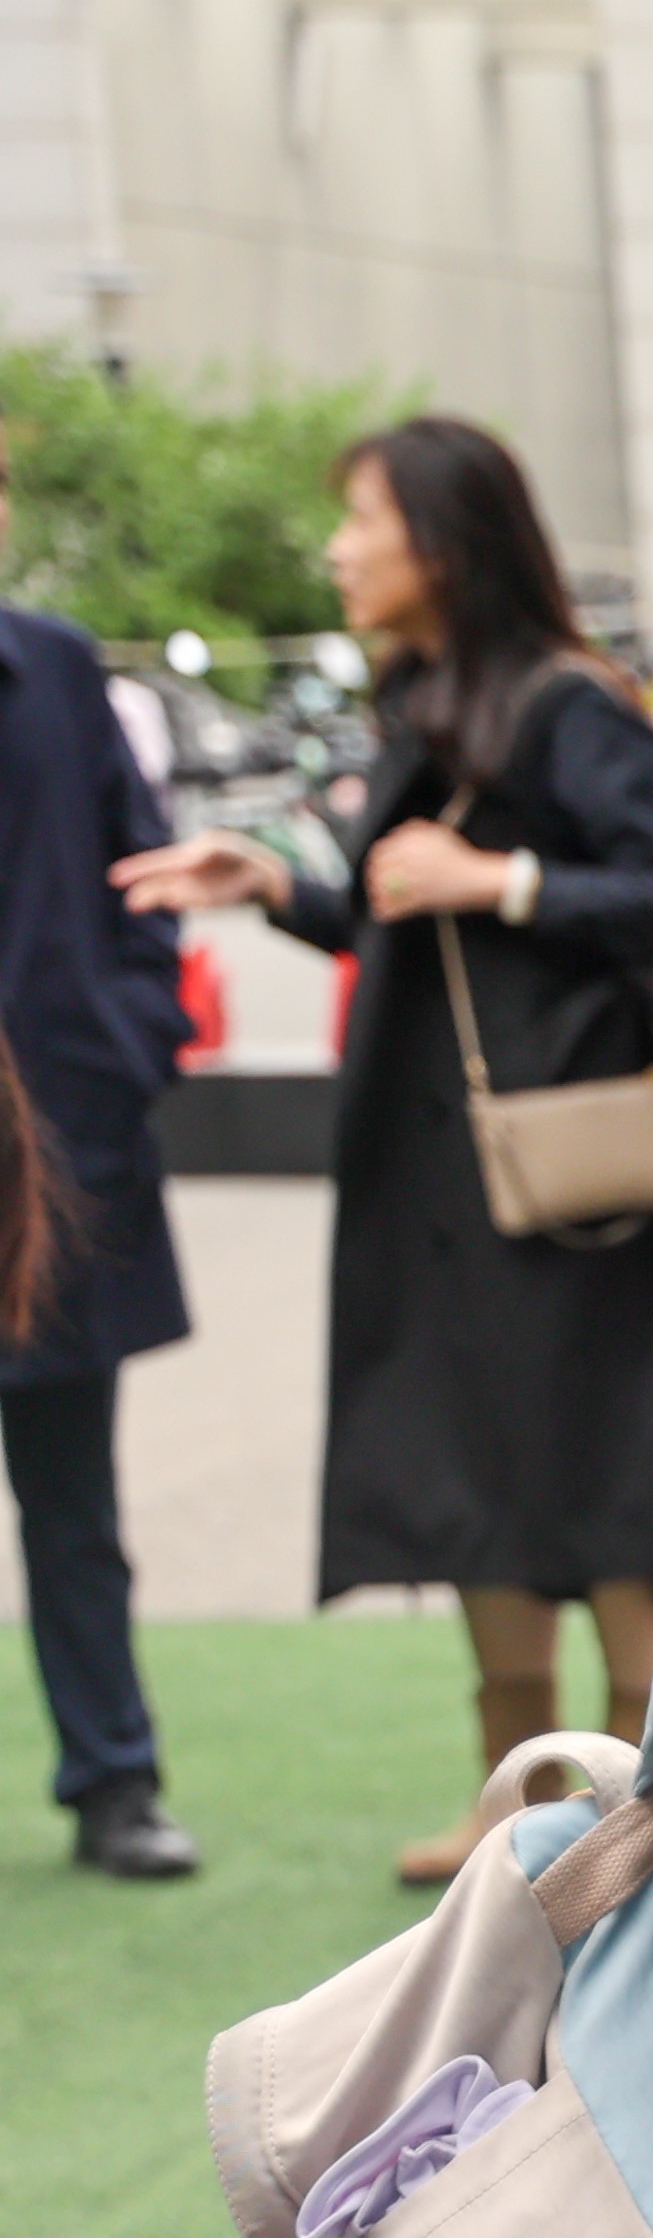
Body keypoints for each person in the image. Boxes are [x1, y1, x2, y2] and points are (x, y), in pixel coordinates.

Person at [113, 414, 653, 1885]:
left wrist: (500, 874)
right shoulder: (425, 697)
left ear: (443, 543)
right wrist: (276, 885)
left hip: (563, 1172)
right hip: (444, 1173)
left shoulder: (567, 703)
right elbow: (404, 924)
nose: (337, 548)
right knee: (478, 1471)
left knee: (604, 1469)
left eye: (360, 522)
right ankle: (511, 1802)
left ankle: (648, 1807)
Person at [0, 438, 205, 1878]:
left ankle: (113, 1780)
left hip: (60, 1148)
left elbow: (150, 883)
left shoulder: (59, 670)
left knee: (74, 1493)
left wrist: (126, 1040)